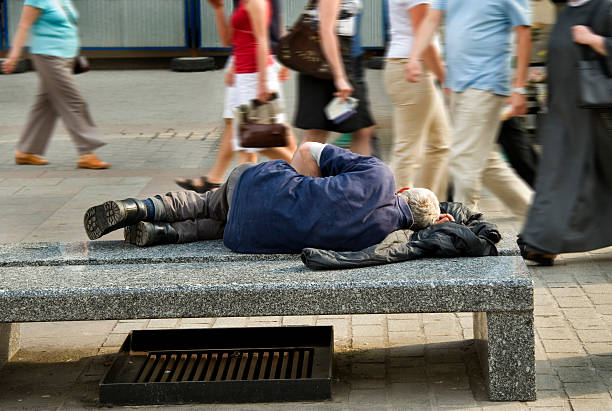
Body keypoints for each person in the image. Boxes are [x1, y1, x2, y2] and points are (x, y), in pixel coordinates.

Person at [84, 143, 454, 253]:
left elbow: (309, 148)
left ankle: (140, 208)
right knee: (228, 222)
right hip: (245, 239)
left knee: (209, 202)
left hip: (253, 185)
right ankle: (160, 234)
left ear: (403, 190)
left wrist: (300, 184)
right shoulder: (384, 240)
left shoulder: (379, 175)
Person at [405, 0, 534, 218]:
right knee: (483, 162)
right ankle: (542, 217)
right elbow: (432, 18)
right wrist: (414, 56)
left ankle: (464, 227)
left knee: (463, 161)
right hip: (458, 85)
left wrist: (520, 86)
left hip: (487, 83)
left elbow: (523, 34)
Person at [518, 0, 612, 265]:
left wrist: (594, 40)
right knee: (555, 175)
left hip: (595, 113)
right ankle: (541, 242)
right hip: (563, 113)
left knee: (586, 178)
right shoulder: (567, 11)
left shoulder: (604, 7)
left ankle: (542, 241)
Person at [175, 0, 290, 193]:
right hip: (244, 77)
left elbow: (262, 41)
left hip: (255, 77)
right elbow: (228, 40)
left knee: (259, 141)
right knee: (248, 143)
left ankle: (311, 174)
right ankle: (240, 195)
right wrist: (218, 9)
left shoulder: (256, 2)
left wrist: (262, 83)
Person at [2, 0, 109, 169]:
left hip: (64, 57)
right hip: (48, 58)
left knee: (45, 105)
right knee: (74, 101)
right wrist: (14, 56)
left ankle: (25, 151)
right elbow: (24, 25)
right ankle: (86, 152)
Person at [384, 0, 450, 198]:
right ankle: (391, 214)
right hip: (412, 69)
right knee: (408, 152)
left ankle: (427, 208)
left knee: (440, 144)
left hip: (415, 68)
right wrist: (446, 79)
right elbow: (424, 33)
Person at [295, 0, 376, 156]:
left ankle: (357, 178)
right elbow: (326, 30)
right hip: (328, 62)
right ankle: (361, 178)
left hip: (333, 59)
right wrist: (339, 76)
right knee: (359, 128)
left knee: (318, 134)